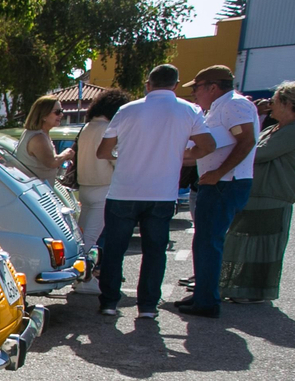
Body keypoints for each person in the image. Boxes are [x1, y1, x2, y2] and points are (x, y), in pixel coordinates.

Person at [94, 63, 221, 319]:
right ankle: (148, 307)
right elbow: (208, 146)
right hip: (161, 193)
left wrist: (125, 154)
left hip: (124, 191)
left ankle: (109, 302)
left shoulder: (127, 110)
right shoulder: (189, 111)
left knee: (115, 250)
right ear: (175, 85)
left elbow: (104, 151)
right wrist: (179, 156)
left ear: (147, 84)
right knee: (154, 252)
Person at [219, 80, 295, 304]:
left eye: (275, 100)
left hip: (273, 194)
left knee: (260, 246)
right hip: (257, 192)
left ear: (287, 103)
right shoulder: (274, 128)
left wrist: (237, 143)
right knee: (243, 242)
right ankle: (239, 286)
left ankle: (252, 291)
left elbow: (259, 153)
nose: (270, 103)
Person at [173, 65, 259, 318]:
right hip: (219, 183)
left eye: (197, 88)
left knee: (209, 242)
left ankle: (207, 301)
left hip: (225, 184)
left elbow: (247, 140)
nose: (194, 93)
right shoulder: (221, 107)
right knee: (204, 241)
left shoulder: (234, 105)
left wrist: (218, 173)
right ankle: (204, 293)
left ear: (212, 87)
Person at [72, 90, 128, 292]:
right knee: (91, 240)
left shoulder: (87, 127)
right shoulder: (109, 129)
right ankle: (84, 280)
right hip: (103, 188)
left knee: (82, 235)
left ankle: (80, 277)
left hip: (85, 186)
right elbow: (116, 160)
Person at [16, 96, 74, 185]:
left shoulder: (40, 134)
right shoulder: (38, 138)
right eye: (57, 112)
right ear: (43, 115)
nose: (61, 115)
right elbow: (51, 162)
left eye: (61, 111)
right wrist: (67, 153)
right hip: (36, 192)